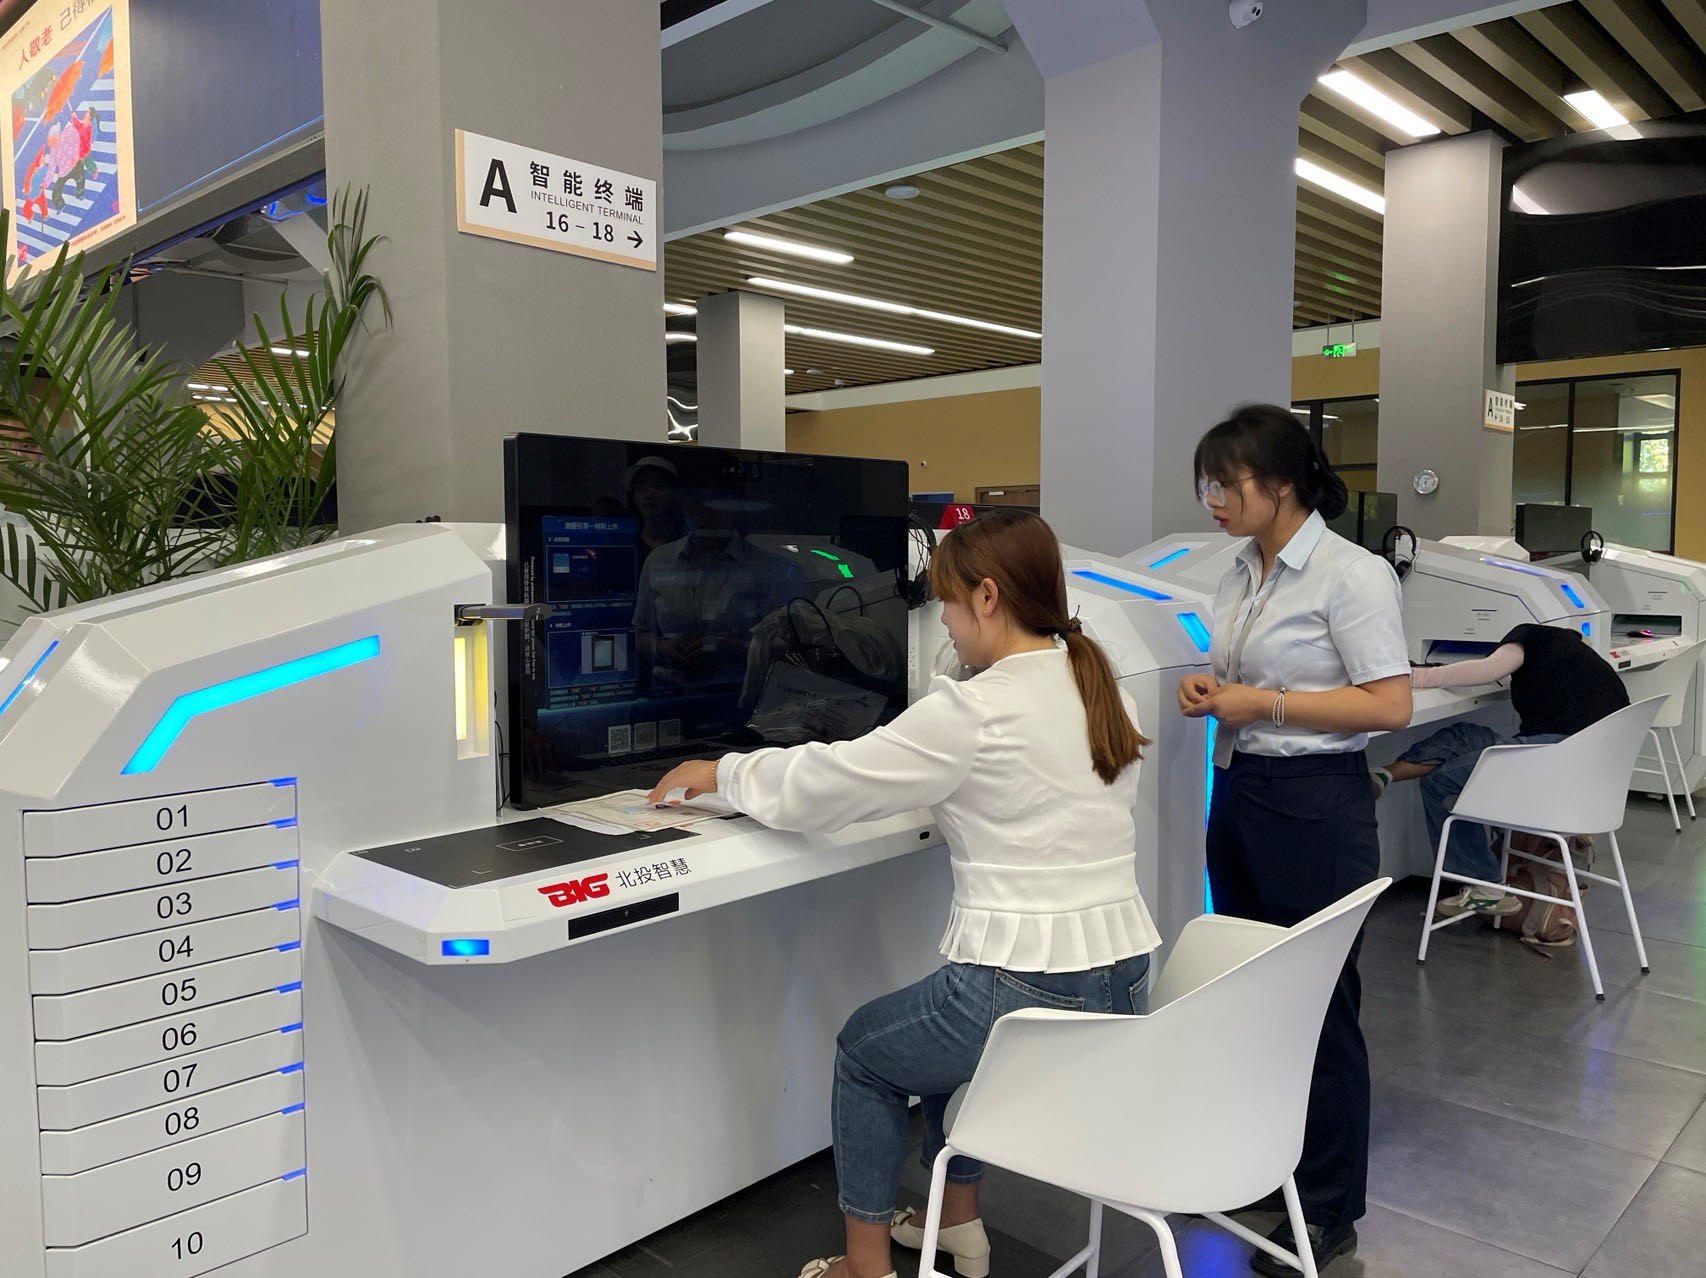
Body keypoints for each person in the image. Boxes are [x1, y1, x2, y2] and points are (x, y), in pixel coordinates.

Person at [649, 509, 1159, 1278]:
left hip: (1020, 989)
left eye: (950, 601)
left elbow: (830, 781)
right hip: (1123, 981)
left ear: (988, 597)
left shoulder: (973, 709)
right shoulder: (1100, 683)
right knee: (957, 1054)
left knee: (867, 1054)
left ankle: (866, 1268)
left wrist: (721, 771)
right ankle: (959, 1226)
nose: (944, 620)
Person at [1176, 404, 1412, 1276]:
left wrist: (1262, 704)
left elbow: (1390, 704)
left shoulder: (1352, 575)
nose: (1213, 500)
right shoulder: (1239, 572)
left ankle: (1327, 1210)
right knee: (1254, 996)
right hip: (1243, 791)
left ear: (1281, 485)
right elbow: (1244, 680)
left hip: (1316, 805)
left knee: (1320, 1005)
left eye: (1225, 484)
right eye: (1206, 485)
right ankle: (1265, 1168)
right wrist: (1214, 691)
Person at [1373, 624, 1629, 917]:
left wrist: (1412, 676)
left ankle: (1485, 886)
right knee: (1465, 735)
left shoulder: (1530, 636)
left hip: (1551, 764)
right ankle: (1383, 775)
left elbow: (1490, 669)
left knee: (1439, 782)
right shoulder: (1580, 657)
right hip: (1587, 779)